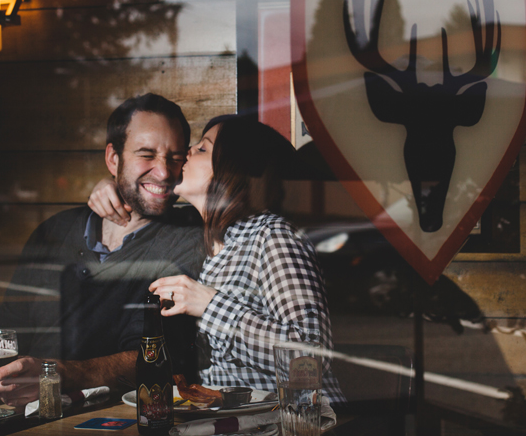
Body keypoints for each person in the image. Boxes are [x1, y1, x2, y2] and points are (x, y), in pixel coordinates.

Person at [90, 115, 345, 403]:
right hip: (233, 422)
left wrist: (211, 307)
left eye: (202, 149)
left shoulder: (271, 236)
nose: (187, 152)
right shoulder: (199, 239)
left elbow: (312, 359)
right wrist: (109, 185)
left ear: (231, 169)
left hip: (295, 425)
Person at [0, 94, 205, 407]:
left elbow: (158, 354)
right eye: (146, 154)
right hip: (20, 414)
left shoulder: (187, 236)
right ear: (113, 159)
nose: (165, 172)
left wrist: (56, 374)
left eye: (175, 157)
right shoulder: (54, 232)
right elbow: (7, 336)